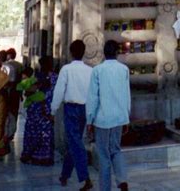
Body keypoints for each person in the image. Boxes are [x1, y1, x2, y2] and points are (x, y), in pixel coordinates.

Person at [86, 40, 130, 191]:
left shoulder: (98, 70)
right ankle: (122, 179)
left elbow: (93, 97)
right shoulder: (123, 69)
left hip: (102, 119)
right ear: (117, 53)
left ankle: (105, 188)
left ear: (104, 53)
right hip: (119, 117)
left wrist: (89, 119)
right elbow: (126, 95)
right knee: (116, 150)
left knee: (104, 155)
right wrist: (126, 117)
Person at [50, 39, 93, 191]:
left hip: (71, 109)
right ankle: (64, 175)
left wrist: (53, 110)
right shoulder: (90, 70)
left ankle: (85, 178)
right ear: (83, 52)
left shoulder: (66, 69)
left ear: (71, 52)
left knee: (75, 143)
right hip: (85, 109)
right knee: (73, 142)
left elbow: (59, 91)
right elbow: (94, 93)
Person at [21, 55, 58, 165]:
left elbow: (27, 92)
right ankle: (44, 157)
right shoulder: (55, 77)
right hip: (47, 109)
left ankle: (30, 155)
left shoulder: (36, 77)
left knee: (33, 132)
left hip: (35, 109)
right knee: (45, 134)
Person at [5, 48, 23, 141]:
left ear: (9, 55)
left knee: (6, 112)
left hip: (8, 92)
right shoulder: (20, 65)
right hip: (16, 92)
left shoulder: (6, 65)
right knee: (14, 112)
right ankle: (12, 132)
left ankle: (6, 132)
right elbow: (22, 80)